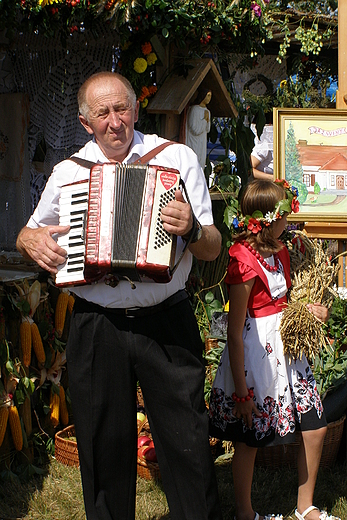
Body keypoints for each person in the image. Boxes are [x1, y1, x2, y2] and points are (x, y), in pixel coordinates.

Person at [16, 71, 223, 520]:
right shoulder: (70, 172)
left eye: (122, 108)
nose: (115, 121)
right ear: (85, 121)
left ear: (135, 108)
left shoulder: (177, 158)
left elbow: (212, 246)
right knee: (102, 445)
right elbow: (30, 231)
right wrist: (28, 240)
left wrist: (192, 228)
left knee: (187, 442)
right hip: (96, 324)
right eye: (102, 112)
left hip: (166, 319)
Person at [209, 179, 340, 520]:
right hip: (257, 358)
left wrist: (309, 310)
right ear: (269, 219)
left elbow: (284, 300)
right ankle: (245, 513)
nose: (291, 219)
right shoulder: (243, 262)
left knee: (316, 426)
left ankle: (305, 505)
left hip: (288, 352)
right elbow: (235, 334)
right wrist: (242, 392)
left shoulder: (279, 249)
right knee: (250, 440)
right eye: (286, 213)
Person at [185, 88, 212, 169]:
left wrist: (207, 120)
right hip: (194, 142)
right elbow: (194, 129)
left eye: (210, 96)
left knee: (201, 164)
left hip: (202, 142)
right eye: (208, 95)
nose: (209, 98)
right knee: (193, 163)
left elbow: (208, 129)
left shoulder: (207, 111)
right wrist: (204, 120)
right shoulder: (194, 110)